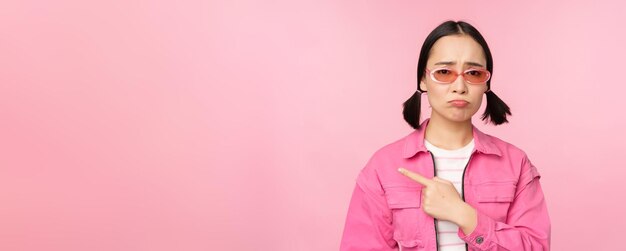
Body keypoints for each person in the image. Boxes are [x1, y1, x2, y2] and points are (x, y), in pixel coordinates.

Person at [339, 20, 551, 251]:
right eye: (444, 72)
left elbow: (536, 247)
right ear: (423, 79)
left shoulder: (515, 163)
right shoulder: (383, 167)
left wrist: (465, 215)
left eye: (473, 73)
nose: (459, 86)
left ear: (486, 83)